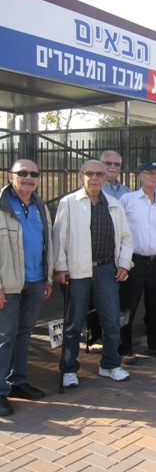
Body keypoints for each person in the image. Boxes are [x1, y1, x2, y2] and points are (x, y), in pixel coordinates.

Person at [53, 160, 134, 387]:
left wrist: (124, 264)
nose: (95, 178)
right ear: (81, 176)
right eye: (90, 173)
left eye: (99, 174)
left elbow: (126, 238)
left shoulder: (114, 205)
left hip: (107, 270)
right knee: (74, 324)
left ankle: (110, 364)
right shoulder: (68, 203)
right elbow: (59, 238)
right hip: (77, 270)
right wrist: (60, 267)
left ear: (105, 177)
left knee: (112, 321)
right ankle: (69, 369)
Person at [0, 160, 53, 416]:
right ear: (10, 176)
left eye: (34, 173)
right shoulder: (2, 205)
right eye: (22, 173)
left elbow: (47, 242)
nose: (29, 177)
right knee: (4, 337)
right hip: (8, 283)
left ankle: (18, 381)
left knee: (24, 333)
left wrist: (48, 278)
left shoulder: (40, 206)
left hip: (36, 280)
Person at [118, 162, 156, 365]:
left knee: (155, 305)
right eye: (150, 173)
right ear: (141, 176)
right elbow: (119, 231)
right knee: (127, 306)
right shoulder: (127, 200)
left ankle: (155, 344)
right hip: (133, 261)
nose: (153, 177)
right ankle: (124, 348)